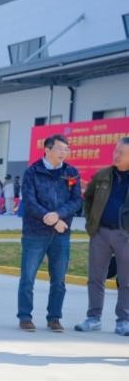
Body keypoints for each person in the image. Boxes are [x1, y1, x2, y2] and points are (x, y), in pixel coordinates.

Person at [18, 134, 82, 332]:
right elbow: (29, 202)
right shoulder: (33, 172)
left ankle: (54, 317)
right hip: (35, 232)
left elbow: (76, 201)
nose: (64, 153)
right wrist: (50, 218)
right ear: (47, 149)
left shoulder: (70, 173)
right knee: (28, 277)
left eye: (66, 149)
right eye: (60, 149)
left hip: (61, 233)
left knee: (59, 279)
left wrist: (58, 215)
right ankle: (25, 316)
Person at [74, 137, 129, 336]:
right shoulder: (103, 175)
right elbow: (88, 198)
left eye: (121, 153)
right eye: (116, 151)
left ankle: (124, 320)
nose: (116, 155)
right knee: (96, 277)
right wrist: (92, 223)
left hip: (125, 236)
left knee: (126, 280)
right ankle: (93, 318)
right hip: (101, 233)